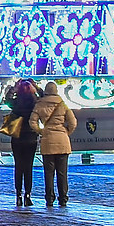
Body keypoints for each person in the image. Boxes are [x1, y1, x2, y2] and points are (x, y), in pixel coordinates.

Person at [32, 79, 77, 208]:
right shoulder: (62, 104)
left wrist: (41, 131)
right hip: (62, 140)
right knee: (62, 173)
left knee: (49, 172)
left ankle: (49, 198)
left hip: (48, 140)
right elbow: (73, 122)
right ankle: (63, 198)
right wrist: (66, 132)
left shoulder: (40, 105)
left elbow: (32, 122)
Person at [5, 77, 41, 207]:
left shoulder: (16, 102)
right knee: (28, 167)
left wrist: (14, 87)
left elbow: (7, 99)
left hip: (17, 137)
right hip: (31, 137)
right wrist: (36, 86)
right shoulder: (35, 102)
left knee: (18, 166)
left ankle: (18, 195)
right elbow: (43, 96)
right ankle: (28, 195)